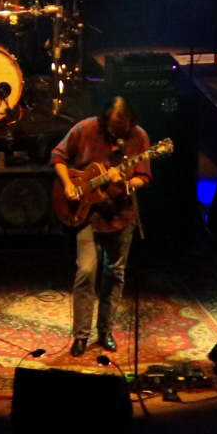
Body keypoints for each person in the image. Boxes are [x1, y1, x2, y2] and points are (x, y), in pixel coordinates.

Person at [53, 97, 150, 357]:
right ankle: (81, 336)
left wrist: (126, 183)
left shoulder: (139, 137)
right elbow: (58, 156)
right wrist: (68, 184)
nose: (118, 134)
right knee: (86, 271)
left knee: (115, 273)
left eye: (123, 129)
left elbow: (143, 176)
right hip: (87, 215)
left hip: (121, 214)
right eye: (114, 128)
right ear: (105, 120)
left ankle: (106, 332)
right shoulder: (85, 129)